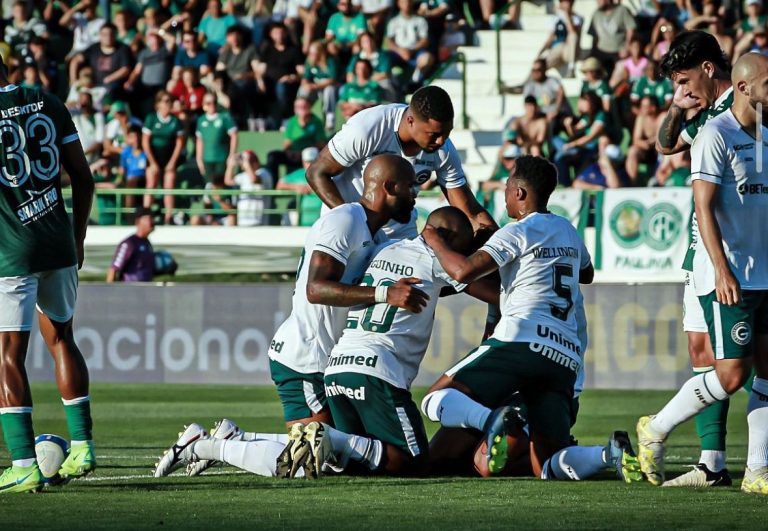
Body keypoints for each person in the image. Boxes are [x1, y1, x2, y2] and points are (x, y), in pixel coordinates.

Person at [152, 154, 428, 478]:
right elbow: (316, 288)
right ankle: (206, 446)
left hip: (320, 357)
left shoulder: (372, 233)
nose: (415, 196)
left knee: (330, 451)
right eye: (411, 187)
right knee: (316, 461)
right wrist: (385, 293)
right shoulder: (346, 220)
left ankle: (232, 439)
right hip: (305, 356)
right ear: (390, 187)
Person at [418, 156, 639, 482]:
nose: (504, 193)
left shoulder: (516, 232)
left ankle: (492, 420)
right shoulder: (566, 228)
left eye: (507, 187)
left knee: (434, 397)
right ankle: (608, 454)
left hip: (522, 339)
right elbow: (587, 274)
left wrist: (434, 238)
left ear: (520, 193)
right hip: (564, 355)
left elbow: (463, 271)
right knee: (547, 465)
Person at [281, 207, 499, 479]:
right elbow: (494, 291)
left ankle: (232, 444)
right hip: (377, 373)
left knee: (362, 465)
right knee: (415, 464)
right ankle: (332, 440)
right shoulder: (439, 262)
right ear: (449, 240)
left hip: (337, 369)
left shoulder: (382, 249)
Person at [637, 52, 768, 495]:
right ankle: (658, 428)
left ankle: (755, 471)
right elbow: (700, 203)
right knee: (727, 370)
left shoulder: (764, 130)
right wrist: (721, 268)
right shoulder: (714, 130)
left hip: (762, 271)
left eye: (685, 78)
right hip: (725, 270)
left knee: (764, 371)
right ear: (747, 87)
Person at [0, 58, 96, 493]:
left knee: (7, 355)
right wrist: (76, 239)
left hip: (12, 251)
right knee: (61, 339)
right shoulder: (47, 100)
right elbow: (84, 178)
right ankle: (83, 448)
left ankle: (22, 463)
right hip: (58, 240)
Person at [653, 30, 739, 488]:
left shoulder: (740, 109)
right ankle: (712, 463)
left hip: (728, 246)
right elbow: (664, 145)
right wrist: (677, 103)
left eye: (685, 78)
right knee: (702, 351)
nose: (682, 88)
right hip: (698, 246)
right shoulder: (705, 111)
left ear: (709, 68)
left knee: (737, 360)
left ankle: (661, 428)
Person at [306, 86, 496, 241]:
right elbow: (316, 172)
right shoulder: (368, 127)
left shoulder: (444, 149)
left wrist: (502, 245)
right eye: (434, 134)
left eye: (447, 133)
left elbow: (470, 212)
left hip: (399, 234)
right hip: (348, 226)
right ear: (410, 121)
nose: (441, 141)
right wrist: (356, 223)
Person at [142, 91, 185, 225]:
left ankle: (168, 218)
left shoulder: (175, 121)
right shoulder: (151, 119)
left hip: (169, 157)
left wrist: (172, 162)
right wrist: (153, 163)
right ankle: (145, 217)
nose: (167, 104)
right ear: (158, 104)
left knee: (169, 185)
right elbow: (145, 142)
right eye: (164, 101)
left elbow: (179, 143)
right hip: (154, 157)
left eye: (169, 101)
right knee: (151, 183)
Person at [266, 97, 326, 182]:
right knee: (272, 156)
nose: (301, 109)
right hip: (293, 155)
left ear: (309, 107)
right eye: (298, 107)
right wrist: (289, 152)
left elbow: (320, 143)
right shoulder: (292, 121)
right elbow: (287, 142)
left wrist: (301, 152)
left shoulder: (316, 122)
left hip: (308, 156)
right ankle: (274, 185)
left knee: (309, 153)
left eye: (304, 106)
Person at [385, 0, 434, 92]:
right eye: (403, 2)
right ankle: (392, 83)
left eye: (408, 2)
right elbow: (389, 41)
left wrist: (412, 50)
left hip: (415, 52)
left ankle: (415, 81)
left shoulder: (420, 21)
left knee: (428, 58)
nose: (406, 4)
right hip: (398, 52)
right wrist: (400, 50)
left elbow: (425, 40)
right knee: (384, 58)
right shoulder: (393, 22)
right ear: (399, 4)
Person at [106, 208, 156, 282]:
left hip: (146, 291)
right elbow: (113, 269)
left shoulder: (147, 243)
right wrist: (110, 291)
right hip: (129, 290)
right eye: (149, 219)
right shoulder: (129, 243)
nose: (152, 222)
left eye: (153, 219)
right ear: (138, 222)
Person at [626, 95, 662, 185]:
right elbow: (636, 139)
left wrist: (650, 142)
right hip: (646, 150)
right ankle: (632, 183)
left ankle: (659, 181)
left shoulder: (662, 117)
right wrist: (645, 144)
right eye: (641, 106)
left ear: (653, 108)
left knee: (663, 148)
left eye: (644, 106)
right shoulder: (641, 118)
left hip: (660, 149)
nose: (641, 109)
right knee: (632, 151)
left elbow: (662, 137)